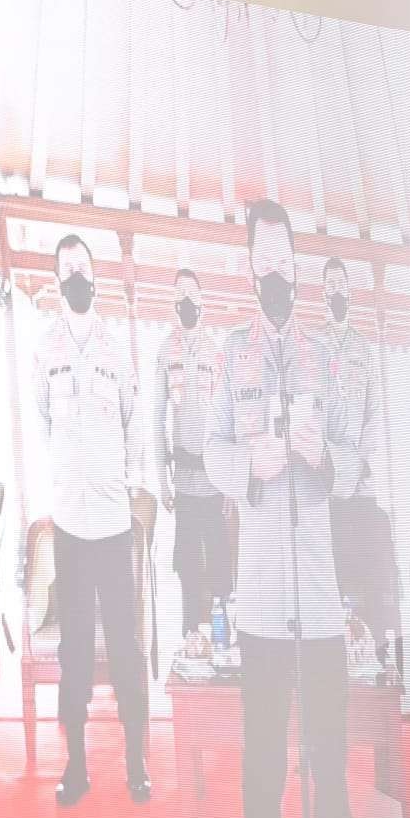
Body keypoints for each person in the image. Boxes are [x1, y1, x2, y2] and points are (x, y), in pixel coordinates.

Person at [204, 199, 355, 818]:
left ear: (297, 265)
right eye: (264, 258)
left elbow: (357, 463)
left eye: (285, 258)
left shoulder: (325, 356)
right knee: (263, 761)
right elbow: (211, 453)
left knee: (329, 761)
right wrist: (248, 465)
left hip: (321, 601)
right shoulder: (230, 353)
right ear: (249, 266)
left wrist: (322, 454)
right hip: (262, 600)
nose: (276, 270)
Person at [33, 233, 150, 806]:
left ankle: (136, 763)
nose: (74, 276)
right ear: (57, 279)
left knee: (125, 645)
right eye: (65, 269)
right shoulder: (46, 348)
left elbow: (135, 425)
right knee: (74, 647)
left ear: (94, 276)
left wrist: (132, 489)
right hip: (71, 525)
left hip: (113, 519)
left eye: (82, 267)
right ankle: (75, 765)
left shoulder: (117, 348)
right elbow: (41, 422)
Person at [317, 256, 398, 669]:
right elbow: (313, 415)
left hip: (361, 482)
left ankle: (374, 659)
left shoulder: (365, 349)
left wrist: (358, 463)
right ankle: (336, 659)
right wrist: (334, 467)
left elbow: (374, 413)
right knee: (333, 578)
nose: (337, 291)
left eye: (342, 284)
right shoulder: (312, 347)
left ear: (351, 291)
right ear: (322, 292)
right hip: (328, 485)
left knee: (368, 575)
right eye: (330, 284)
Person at [153, 268, 230, 637]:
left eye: (192, 295)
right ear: (174, 304)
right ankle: (190, 640)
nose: (186, 302)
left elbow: (228, 418)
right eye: (179, 295)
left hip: (215, 480)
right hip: (182, 482)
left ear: (203, 302)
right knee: (186, 566)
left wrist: (231, 480)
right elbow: (155, 416)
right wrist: (161, 481)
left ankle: (224, 641)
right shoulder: (164, 352)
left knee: (219, 567)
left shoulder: (217, 352)